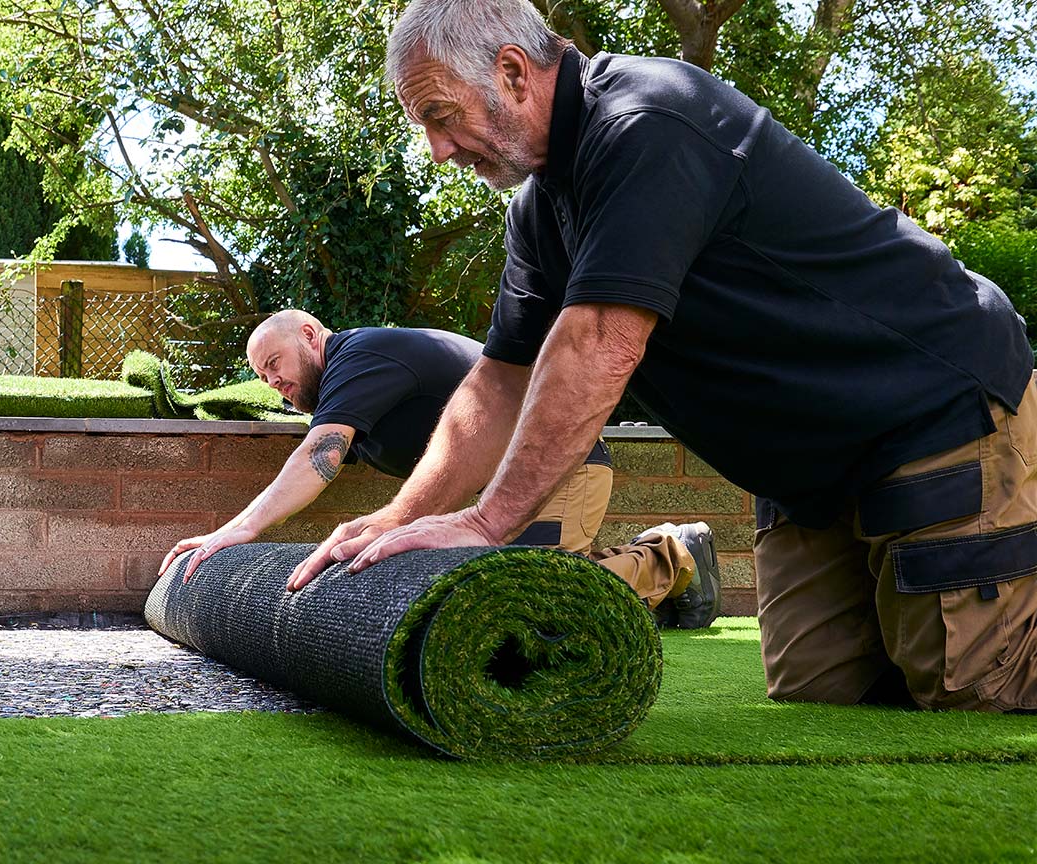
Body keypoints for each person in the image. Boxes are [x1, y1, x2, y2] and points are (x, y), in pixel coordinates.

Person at [290, 0, 1037, 713]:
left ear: (514, 73)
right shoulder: (539, 210)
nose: (439, 150)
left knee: (974, 684)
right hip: (812, 475)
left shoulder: (648, 121)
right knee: (822, 687)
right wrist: (400, 516)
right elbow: (500, 380)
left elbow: (600, 341)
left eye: (441, 118)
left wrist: (487, 525)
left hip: (932, 407)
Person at [161, 309, 722, 628]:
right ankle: (652, 574)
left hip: (558, 467)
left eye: (274, 365)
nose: (274, 384)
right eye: (263, 377)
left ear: (309, 336)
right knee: (495, 598)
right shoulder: (354, 395)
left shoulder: (357, 357)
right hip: (497, 495)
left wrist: (239, 530)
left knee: (535, 600)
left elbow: (317, 459)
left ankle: (672, 557)